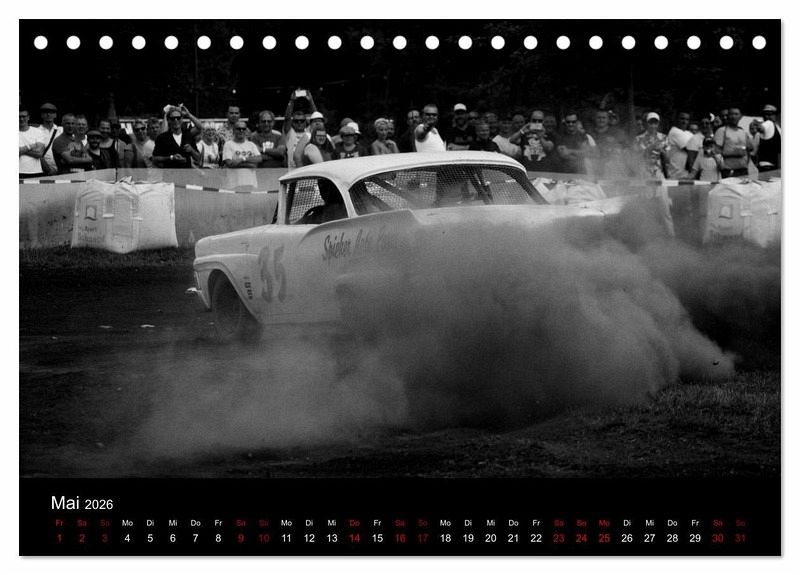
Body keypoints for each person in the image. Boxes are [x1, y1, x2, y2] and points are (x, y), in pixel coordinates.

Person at [714, 107, 752, 178]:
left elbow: (748, 150)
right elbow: (716, 151)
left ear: (740, 116)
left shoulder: (743, 132)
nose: (733, 116)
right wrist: (722, 166)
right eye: (731, 114)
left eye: (736, 114)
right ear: (728, 116)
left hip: (743, 170)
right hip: (728, 170)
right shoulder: (721, 131)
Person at [222, 120, 262, 188]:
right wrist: (250, 165)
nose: (241, 131)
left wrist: (242, 159)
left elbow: (259, 158)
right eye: (238, 129)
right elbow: (229, 163)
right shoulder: (228, 144)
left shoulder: (251, 144)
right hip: (234, 184)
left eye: (243, 129)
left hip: (251, 183)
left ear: (246, 131)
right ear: (233, 130)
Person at [633, 112, 670, 179]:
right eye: (650, 123)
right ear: (646, 124)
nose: (653, 126)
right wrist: (651, 147)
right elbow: (636, 158)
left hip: (659, 174)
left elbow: (668, 159)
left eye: (655, 123)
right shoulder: (638, 138)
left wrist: (661, 150)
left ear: (658, 124)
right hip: (643, 174)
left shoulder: (664, 137)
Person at [19, 106, 46, 177]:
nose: (21, 119)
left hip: (36, 171)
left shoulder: (38, 132)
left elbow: (39, 153)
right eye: (19, 116)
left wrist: (21, 150)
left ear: (28, 117)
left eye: (24, 116)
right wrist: (31, 146)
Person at [665, 111, 693, 179]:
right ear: (677, 120)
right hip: (675, 175)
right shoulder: (674, 131)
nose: (684, 121)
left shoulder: (689, 133)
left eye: (687, 119)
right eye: (682, 119)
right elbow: (691, 149)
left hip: (686, 174)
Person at [38, 102, 61, 175]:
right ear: (41, 115)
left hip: (61, 169)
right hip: (43, 170)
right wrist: (48, 170)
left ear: (55, 115)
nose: (48, 114)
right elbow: (38, 154)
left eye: (51, 112)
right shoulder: (36, 131)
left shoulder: (61, 130)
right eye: (45, 112)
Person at [755, 104, 780, 171]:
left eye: (770, 114)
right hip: (767, 166)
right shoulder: (768, 123)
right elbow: (761, 128)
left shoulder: (778, 128)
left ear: (775, 115)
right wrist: (759, 127)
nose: (767, 116)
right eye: (765, 114)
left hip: (773, 166)